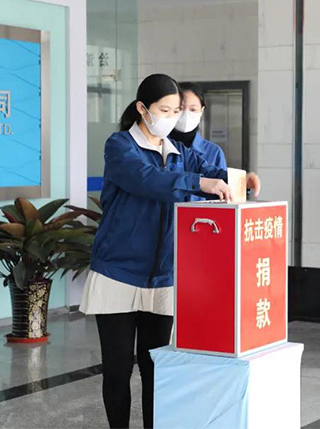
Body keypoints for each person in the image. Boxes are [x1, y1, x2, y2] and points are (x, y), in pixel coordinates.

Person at [80, 74, 261, 429]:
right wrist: (200, 183)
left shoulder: (181, 153)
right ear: (142, 108)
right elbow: (147, 180)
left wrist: (241, 179)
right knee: (117, 369)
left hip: (163, 276)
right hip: (117, 273)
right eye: (165, 110)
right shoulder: (120, 146)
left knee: (156, 370)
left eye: (176, 111)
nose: (172, 117)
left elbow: (212, 171)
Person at [170, 82, 227, 189]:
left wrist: (242, 181)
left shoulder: (213, 152)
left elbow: (224, 188)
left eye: (193, 109)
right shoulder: (159, 146)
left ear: (202, 110)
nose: (186, 114)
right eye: (181, 108)